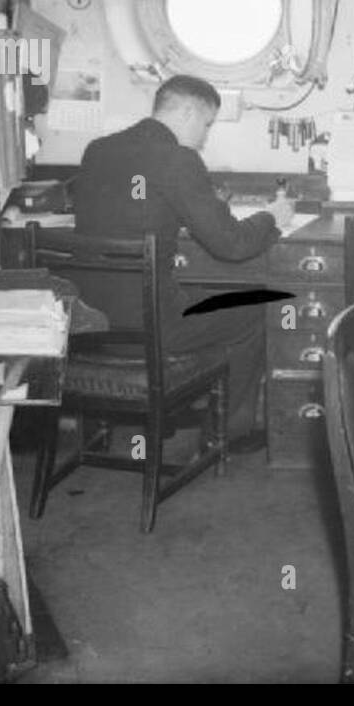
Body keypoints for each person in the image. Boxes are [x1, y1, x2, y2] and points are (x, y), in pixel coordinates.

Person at [70, 75, 296, 452]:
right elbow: (232, 244)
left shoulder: (98, 150)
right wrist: (272, 216)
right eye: (206, 125)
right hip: (152, 325)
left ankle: (164, 411)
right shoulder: (178, 159)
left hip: (91, 321)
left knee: (197, 294)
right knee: (255, 312)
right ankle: (227, 433)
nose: (205, 136)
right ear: (189, 111)